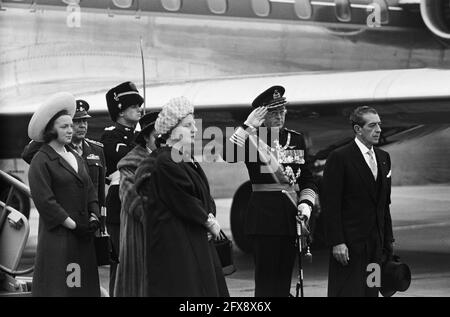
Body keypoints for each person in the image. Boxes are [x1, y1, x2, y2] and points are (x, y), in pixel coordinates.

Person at [228, 85, 317, 297]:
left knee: (283, 279)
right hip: (264, 220)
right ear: (263, 115)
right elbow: (228, 155)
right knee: (266, 284)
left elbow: (306, 178)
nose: (279, 116)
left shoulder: (296, 139)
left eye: (282, 111)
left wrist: (306, 204)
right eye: (274, 112)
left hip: (290, 218)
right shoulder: (251, 140)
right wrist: (247, 126)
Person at [135, 96, 229, 297]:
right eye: (187, 125)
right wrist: (207, 221)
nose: (195, 130)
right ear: (172, 131)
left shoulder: (183, 158)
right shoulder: (165, 161)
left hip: (194, 241)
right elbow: (183, 200)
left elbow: (204, 195)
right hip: (178, 248)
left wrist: (209, 216)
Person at [27, 92, 100, 296]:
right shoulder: (41, 161)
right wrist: (73, 225)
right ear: (51, 130)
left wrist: (94, 216)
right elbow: (45, 202)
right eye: (64, 126)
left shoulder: (75, 157)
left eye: (71, 125)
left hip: (82, 237)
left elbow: (90, 190)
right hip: (60, 238)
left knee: (81, 288)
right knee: (65, 288)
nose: (71, 130)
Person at [322, 106, 394, 297]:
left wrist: (388, 240)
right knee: (349, 292)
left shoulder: (383, 158)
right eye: (372, 125)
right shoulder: (340, 157)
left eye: (379, 124)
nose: (378, 129)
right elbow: (331, 204)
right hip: (350, 247)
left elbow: (384, 203)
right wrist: (337, 241)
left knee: (372, 291)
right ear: (357, 129)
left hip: (376, 247)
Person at [101, 81, 142, 296]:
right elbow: (123, 159)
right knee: (121, 259)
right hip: (119, 202)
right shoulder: (111, 136)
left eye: (138, 105)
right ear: (120, 110)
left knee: (138, 258)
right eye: (134, 105)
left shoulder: (138, 135)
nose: (139, 109)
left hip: (139, 200)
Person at [114, 111, 159, 297]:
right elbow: (133, 200)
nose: (162, 139)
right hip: (140, 235)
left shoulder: (175, 158)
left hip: (164, 236)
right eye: (157, 136)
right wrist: (163, 219)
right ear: (146, 138)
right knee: (138, 286)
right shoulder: (131, 164)